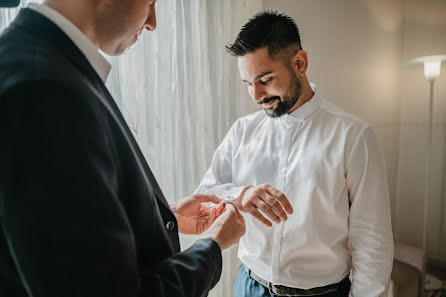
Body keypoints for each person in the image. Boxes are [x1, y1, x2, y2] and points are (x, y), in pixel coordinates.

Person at [0, 1, 246, 296]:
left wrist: (163, 218)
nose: (152, 21)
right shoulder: (44, 88)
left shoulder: (44, 65)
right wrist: (213, 246)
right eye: (151, 2)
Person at [194, 11, 394, 297]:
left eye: (265, 79)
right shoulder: (242, 131)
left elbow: (372, 243)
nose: (256, 95)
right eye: (248, 83)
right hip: (248, 287)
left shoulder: (353, 137)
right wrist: (240, 195)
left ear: (299, 63)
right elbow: (204, 195)